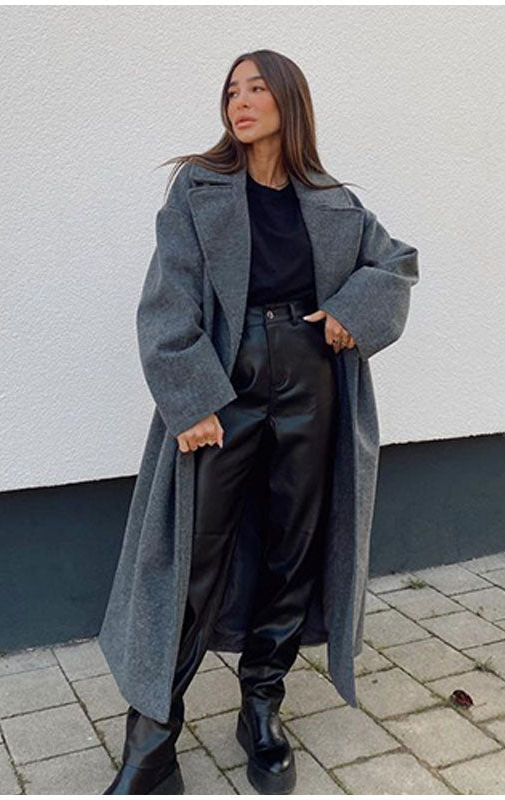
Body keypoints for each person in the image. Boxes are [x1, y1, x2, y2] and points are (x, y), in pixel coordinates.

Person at [101, 49, 419, 795]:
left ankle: (262, 706)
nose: (239, 102)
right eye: (231, 91)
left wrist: (350, 310)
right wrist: (192, 399)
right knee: (192, 556)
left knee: (291, 548)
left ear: (288, 102)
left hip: (312, 382)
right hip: (227, 380)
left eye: (256, 89)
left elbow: (397, 263)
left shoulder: (333, 201)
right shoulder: (199, 189)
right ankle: (152, 738)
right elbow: (167, 299)